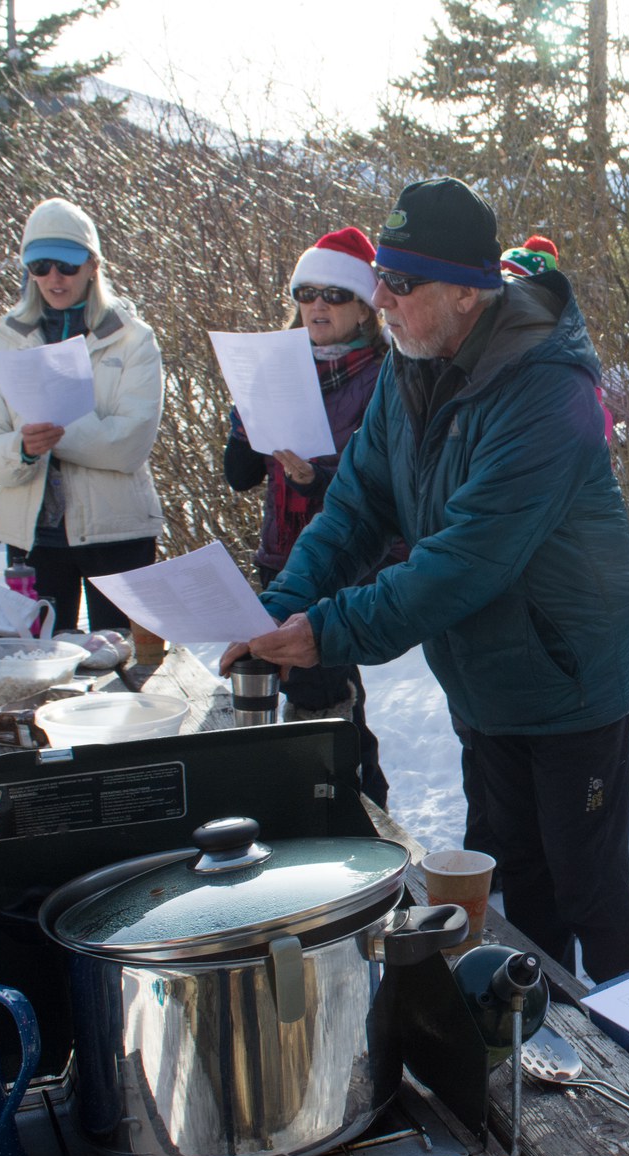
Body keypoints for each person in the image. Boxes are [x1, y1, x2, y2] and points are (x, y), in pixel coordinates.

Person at [220, 177, 629, 983]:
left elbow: (461, 563)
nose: (379, 297)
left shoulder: (548, 394)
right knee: (514, 881)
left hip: (570, 678)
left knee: (588, 886)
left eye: (402, 282)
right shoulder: (411, 367)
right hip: (485, 677)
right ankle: (540, 1052)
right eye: (381, 275)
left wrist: (320, 634)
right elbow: (354, 507)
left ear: (467, 291)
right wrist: (277, 608)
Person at [222, 225, 393, 808]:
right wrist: (244, 420)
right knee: (303, 687)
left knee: (326, 690)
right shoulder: (276, 366)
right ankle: (337, 799)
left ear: (365, 306)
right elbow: (239, 475)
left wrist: (317, 479)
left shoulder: (384, 375)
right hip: (280, 554)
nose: (317, 305)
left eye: (335, 294)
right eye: (306, 292)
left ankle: (350, 807)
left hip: (348, 556)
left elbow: (385, 486)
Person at [0, 198, 164, 631]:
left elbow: (131, 443)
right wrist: (21, 450)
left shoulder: (132, 339)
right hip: (32, 539)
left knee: (125, 668)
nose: (53, 277)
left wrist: (52, 433)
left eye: (67, 265)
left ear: (93, 265)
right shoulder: (1, 340)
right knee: (41, 669)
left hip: (119, 532)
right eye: (40, 265)